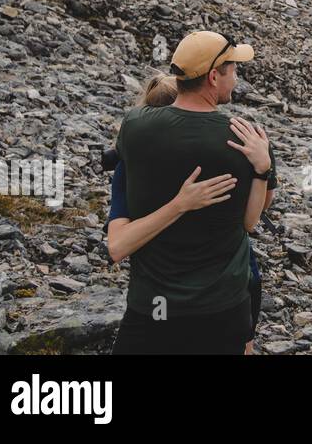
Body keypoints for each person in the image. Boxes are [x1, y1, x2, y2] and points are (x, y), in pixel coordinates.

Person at [110, 31, 275, 354]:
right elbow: (251, 220)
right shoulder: (248, 141)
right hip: (220, 307)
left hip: (153, 306)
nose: (236, 79)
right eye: (234, 71)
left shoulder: (134, 126)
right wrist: (263, 168)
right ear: (214, 77)